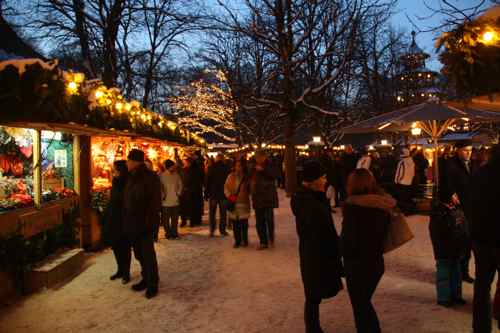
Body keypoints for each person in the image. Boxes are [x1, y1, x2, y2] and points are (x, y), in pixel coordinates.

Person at [291, 160, 343, 333]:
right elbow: (321, 231)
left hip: (314, 253)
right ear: (313, 180)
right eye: (323, 177)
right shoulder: (308, 203)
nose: (325, 180)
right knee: (313, 295)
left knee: (313, 294)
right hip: (316, 254)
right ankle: (312, 329)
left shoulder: (309, 198)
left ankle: (313, 328)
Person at [342, 168, 394, 333]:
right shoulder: (381, 204)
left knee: (360, 306)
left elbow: (348, 240)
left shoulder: (353, 207)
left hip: (357, 264)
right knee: (363, 303)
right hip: (376, 262)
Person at [467, 145, 500, 333]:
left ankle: (480, 328)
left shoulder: (479, 174)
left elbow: (471, 203)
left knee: (482, 286)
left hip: (482, 238)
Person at [123, 149, 161, 299]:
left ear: (135, 162)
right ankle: (146, 278)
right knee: (139, 253)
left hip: (145, 223)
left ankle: (153, 283)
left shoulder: (149, 177)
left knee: (147, 254)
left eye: (129, 160)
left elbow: (155, 202)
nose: (127, 163)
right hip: (133, 222)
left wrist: (148, 222)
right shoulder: (131, 177)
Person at [440, 140, 476, 283]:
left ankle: (464, 271)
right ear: (458, 150)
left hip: (471, 207)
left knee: (468, 242)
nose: (469, 153)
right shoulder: (450, 164)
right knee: (460, 241)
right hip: (457, 209)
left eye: (471, 150)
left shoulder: (473, 164)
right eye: (465, 150)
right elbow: (446, 184)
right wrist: (451, 193)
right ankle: (459, 272)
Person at [429, 202, 468, 307]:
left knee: (456, 272)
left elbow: (463, 229)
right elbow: (438, 234)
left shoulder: (457, 210)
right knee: (444, 272)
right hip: (444, 249)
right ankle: (443, 297)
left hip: (456, 248)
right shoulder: (439, 213)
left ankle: (456, 295)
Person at [105, 160, 131, 284]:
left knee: (124, 246)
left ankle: (126, 272)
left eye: (114, 168)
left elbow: (124, 199)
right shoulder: (115, 181)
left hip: (124, 218)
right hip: (113, 217)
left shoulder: (127, 182)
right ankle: (120, 269)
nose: (113, 170)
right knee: (116, 245)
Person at [251, 150, 279, 250]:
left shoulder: (270, 164)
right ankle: (263, 241)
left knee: (269, 219)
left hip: (268, 196)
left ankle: (270, 237)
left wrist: (263, 170)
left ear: (264, 157)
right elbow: (249, 178)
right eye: (256, 157)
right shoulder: (253, 166)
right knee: (259, 221)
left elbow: (275, 175)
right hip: (257, 196)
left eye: (259, 157)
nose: (257, 159)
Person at [225, 158, 251, 248]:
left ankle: (244, 240)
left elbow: (250, 190)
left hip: (243, 203)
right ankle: (237, 240)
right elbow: (226, 188)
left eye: (240, 166)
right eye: (237, 166)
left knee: (244, 223)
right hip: (234, 203)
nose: (238, 168)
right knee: (235, 224)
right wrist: (229, 196)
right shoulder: (230, 176)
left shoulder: (246, 177)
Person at [206, 154, 230, 237]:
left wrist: (206, 193)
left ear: (216, 159)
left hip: (213, 194)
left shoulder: (211, 167)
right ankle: (222, 230)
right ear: (223, 159)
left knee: (212, 213)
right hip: (223, 194)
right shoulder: (227, 168)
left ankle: (212, 230)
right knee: (223, 213)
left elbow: (207, 181)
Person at [160, 159, 183, 240]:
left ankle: (174, 233)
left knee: (175, 219)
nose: (174, 167)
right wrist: (162, 195)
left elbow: (180, 185)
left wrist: (178, 193)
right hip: (165, 202)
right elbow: (160, 188)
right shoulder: (162, 176)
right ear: (168, 167)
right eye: (173, 166)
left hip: (175, 201)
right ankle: (168, 233)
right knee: (166, 220)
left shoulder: (176, 175)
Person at [394, 148, 416, 214]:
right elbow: (413, 173)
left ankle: (403, 212)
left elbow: (399, 172)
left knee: (402, 199)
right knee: (407, 198)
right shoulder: (412, 162)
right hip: (409, 182)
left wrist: (396, 181)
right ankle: (409, 211)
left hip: (402, 182)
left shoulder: (401, 162)